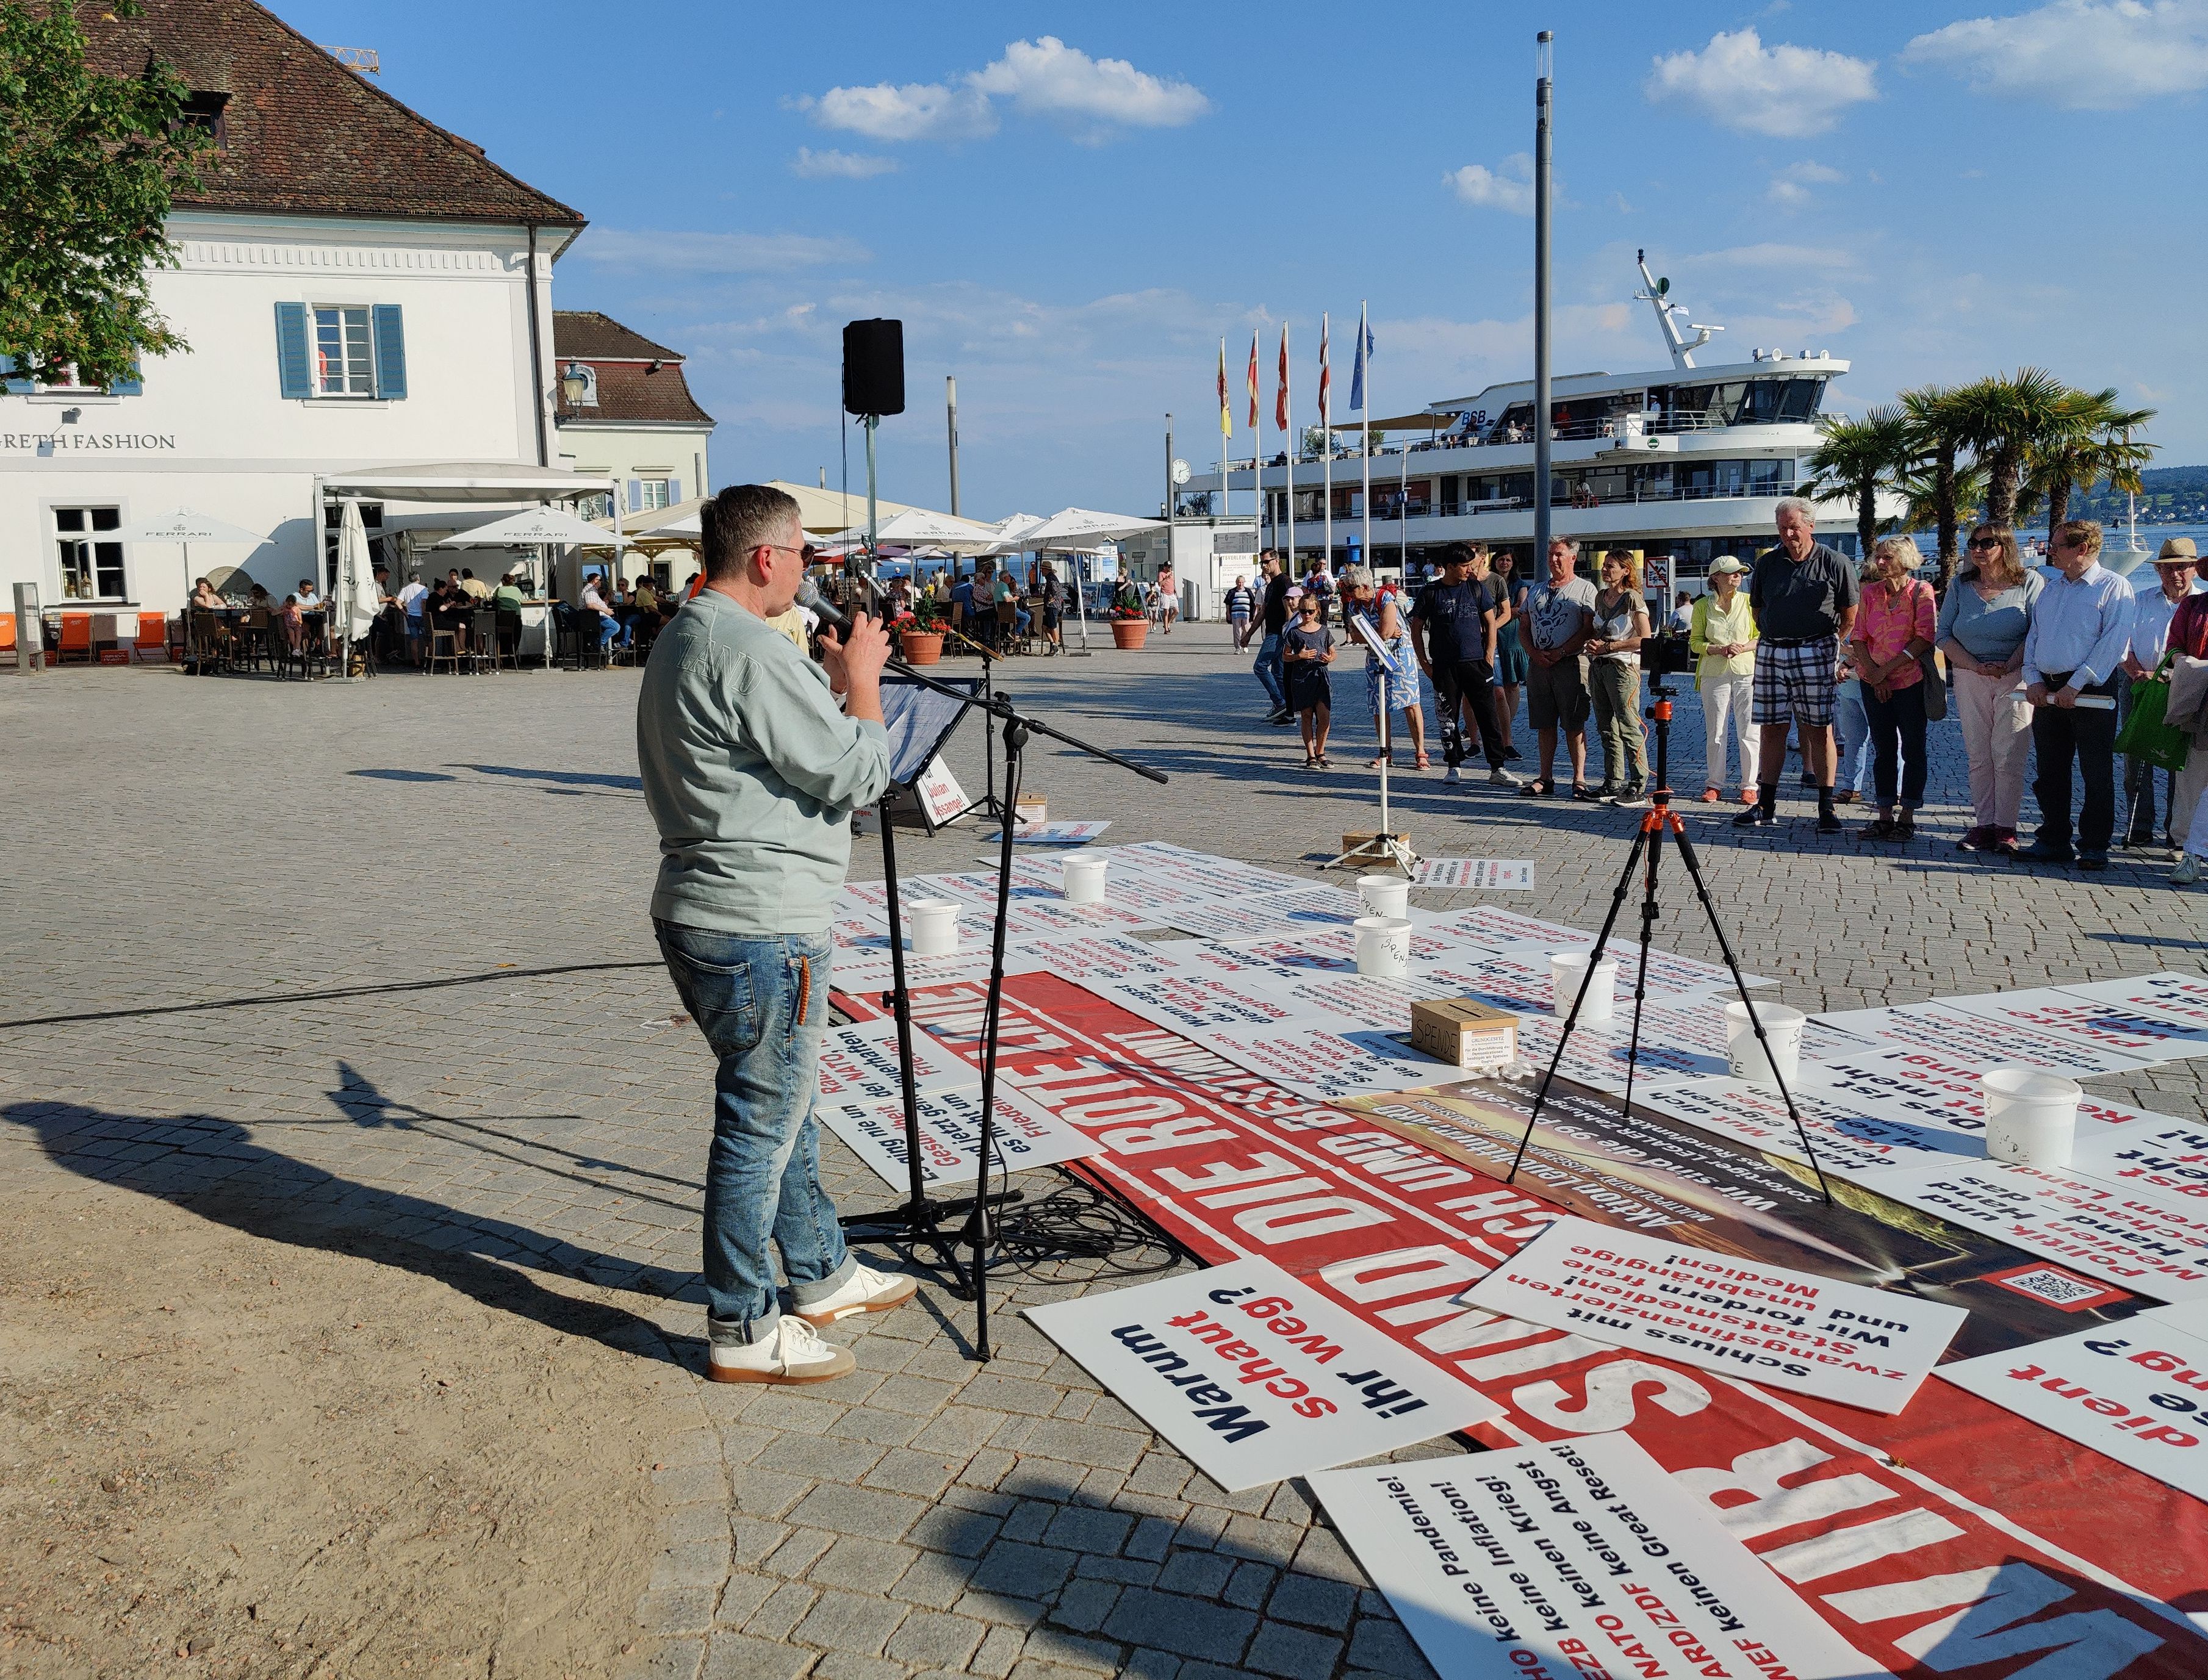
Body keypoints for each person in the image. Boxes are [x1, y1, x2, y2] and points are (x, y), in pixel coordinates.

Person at [636, 483, 916, 1384]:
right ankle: (742, 1326)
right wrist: (865, 684)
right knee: (760, 1122)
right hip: (758, 922)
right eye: (803, 553)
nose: (810, 569)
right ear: (766, 558)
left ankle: (820, 1269)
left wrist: (827, 686)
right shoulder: (752, 648)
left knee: (783, 1107)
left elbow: (772, 751)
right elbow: (855, 773)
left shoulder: (691, 633)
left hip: (709, 906)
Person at [2015, 519, 2135, 870]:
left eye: (2057, 545)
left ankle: (2095, 844)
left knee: (2096, 769)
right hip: (2047, 688)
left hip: (2091, 687)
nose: (2050, 550)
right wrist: (2033, 678)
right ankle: (2054, 838)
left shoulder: (2114, 587)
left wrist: (2077, 683)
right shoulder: (2052, 590)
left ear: (2081, 549)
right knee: (2050, 769)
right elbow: (2035, 636)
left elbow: (2113, 642)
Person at [1737, 498, 1859, 833]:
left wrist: (1829, 646)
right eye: (1782, 528)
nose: (1788, 534)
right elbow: (1758, 609)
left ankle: (1826, 807)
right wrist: (1777, 633)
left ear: (1811, 526)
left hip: (1817, 649)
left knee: (1819, 729)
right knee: (1771, 728)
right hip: (1773, 650)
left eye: (1794, 527)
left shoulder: (1836, 562)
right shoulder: (1767, 564)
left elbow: (1850, 614)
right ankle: (1766, 804)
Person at [1936, 523, 2041, 855]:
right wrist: (1973, 665)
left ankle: (2006, 828)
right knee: (1979, 756)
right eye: (1973, 544)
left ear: (2005, 546)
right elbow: (1943, 635)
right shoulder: (1960, 585)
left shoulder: (2029, 582)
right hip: (1970, 676)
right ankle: (1983, 825)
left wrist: (2010, 664)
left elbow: (2038, 632)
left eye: (1987, 543)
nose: (1978, 549)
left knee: (2008, 755)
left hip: (2015, 677)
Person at [1409, 542, 1519, 789]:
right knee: (1448, 718)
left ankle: (1497, 768)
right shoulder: (1431, 592)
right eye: (1465, 566)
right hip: (1444, 666)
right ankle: (1454, 765)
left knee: (1488, 716)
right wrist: (1424, 663)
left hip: (1477, 664)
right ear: (1450, 567)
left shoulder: (1477, 589)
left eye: (1472, 565)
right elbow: (1416, 629)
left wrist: (1489, 656)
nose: (1471, 570)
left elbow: (1491, 622)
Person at [1849, 536, 1938, 842]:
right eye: (1879, 557)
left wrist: (1884, 672)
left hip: (1910, 682)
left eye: (1888, 558)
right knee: (1883, 749)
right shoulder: (1871, 592)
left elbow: (1924, 637)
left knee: (1913, 749)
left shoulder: (1921, 592)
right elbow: (1858, 636)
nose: (1881, 563)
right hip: (1872, 681)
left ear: (1905, 559)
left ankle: (1908, 817)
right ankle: (1884, 816)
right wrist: (1875, 676)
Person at [2122, 538, 2199, 848]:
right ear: (2159, 572)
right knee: (2136, 754)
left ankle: (2175, 828)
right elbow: (2121, 642)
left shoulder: (2202, 603)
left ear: (2194, 569)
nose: (2175, 574)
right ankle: (2139, 826)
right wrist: (2138, 673)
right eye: (2168, 569)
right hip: (2138, 682)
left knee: (2178, 760)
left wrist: (2170, 675)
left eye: (2182, 567)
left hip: (2185, 687)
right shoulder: (2140, 600)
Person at [1519, 537, 1598, 799]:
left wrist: (1562, 651)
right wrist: (1533, 653)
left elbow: (1588, 628)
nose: (1553, 560)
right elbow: (1524, 627)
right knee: (1544, 723)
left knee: (1574, 722)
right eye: (1551, 554)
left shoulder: (1585, 589)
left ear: (1572, 558)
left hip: (1571, 662)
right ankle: (1545, 777)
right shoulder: (1536, 590)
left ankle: (1579, 778)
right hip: (1539, 665)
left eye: (1559, 555)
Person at [1690, 555, 1759, 802]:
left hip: (1746, 671)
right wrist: (1718, 649)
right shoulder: (1702, 606)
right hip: (1714, 673)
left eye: (1740, 572)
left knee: (1749, 731)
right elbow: (1695, 642)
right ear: (1716, 578)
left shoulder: (1750, 602)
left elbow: (1760, 636)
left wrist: (1743, 647)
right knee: (1716, 731)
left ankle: (1749, 785)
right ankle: (1714, 784)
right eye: (1731, 572)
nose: (1737, 576)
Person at [1586, 550, 1652, 805]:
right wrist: (1596, 645)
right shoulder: (1600, 597)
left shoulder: (1632, 598)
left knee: (1628, 726)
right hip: (1599, 667)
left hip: (1623, 668)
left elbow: (1645, 639)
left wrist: (1611, 647)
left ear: (1626, 570)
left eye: (1611, 566)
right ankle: (1612, 782)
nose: (1605, 570)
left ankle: (1638, 784)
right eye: (1604, 565)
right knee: (1606, 728)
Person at [2166, 570, 2208, 883]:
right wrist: (2185, 663)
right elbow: (2173, 647)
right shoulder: (2193, 607)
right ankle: (2186, 850)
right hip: (2199, 703)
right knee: (2193, 778)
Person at [1360, 582, 1428, 769]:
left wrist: (1378, 634)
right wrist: (1382, 634)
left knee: (1411, 703)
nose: (1347, 592)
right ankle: (1385, 752)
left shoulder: (1386, 598)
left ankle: (1421, 752)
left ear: (1364, 586)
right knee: (1379, 707)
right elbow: (1356, 634)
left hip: (1401, 655)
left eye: (1351, 588)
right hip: (1375, 656)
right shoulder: (1354, 605)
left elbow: (1386, 631)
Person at [1283, 586, 1337, 767]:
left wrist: (1330, 658)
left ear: (1317, 612)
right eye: (1303, 610)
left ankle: (1321, 751)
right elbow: (1285, 655)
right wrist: (1300, 656)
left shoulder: (1324, 631)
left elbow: (1333, 652)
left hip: (1320, 676)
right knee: (1306, 716)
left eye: (1310, 611)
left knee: (1324, 716)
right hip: (1302, 677)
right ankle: (1311, 754)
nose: (1307, 614)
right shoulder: (1294, 632)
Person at [1492, 550, 1528, 760]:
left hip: (1513, 637)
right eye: (1501, 559)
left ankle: (1506, 725)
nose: (1504, 563)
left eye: (1508, 560)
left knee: (1512, 684)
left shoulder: (1520, 584)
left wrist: (1500, 611)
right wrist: (1507, 610)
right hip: (1494, 636)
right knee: (1496, 686)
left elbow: (1520, 609)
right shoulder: (1490, 581)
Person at [1254, 551, 1292, 723]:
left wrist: (1289, 633)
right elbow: (1263, 612)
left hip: (1278, 633)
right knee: (1279, 674)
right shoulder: (1270, 585)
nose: (1263, 565)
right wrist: (1248, 635)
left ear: (1276, 561)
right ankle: (1288, 714)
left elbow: (1291, 607)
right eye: (1261, 563)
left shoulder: (1284, 582)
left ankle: (1279, 703)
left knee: (1260, 667)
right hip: (1273, 632)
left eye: (1266, 562)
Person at [580, 573, 621, 652]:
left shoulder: (593, 590)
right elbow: (590, 605)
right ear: (594, 581)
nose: (601, 582)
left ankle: (611, 644)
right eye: (600, 580)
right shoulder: (590, 591)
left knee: (619, 621)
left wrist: (604, 602)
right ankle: (598, 643)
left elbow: (594, 603)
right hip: (595, 618)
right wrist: (605, 610)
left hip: (596, 616)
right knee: (615, 627)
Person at [396, 569, 428, 667]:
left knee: (414, 640)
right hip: (422, 616)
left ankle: (417, 662)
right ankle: (429, 659)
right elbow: (424, 602)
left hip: (411, 616)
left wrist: (405, 613)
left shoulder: (405, 590)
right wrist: (423, 613)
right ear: (418, 578)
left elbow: (398, 602)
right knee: (428, 638)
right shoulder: (423, 589)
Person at [1225, 573, 1256, 651]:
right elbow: (1228, 604)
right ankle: (1237, 648)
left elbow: (1254, 603)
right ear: (1236, 582)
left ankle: (1244, 643)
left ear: (1244, 582)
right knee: (1237, 631)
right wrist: (1228, 613)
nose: (1241, 584)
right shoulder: (1232, 591)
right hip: (1235, 615)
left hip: (1246, 615)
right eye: (1239, 582)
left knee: (1247, 629)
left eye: (1242, 582)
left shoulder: (1248, 591)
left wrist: (1254, 613)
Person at [1157, 559, 1177, 635]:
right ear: (1165, 567)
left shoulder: (1172, 574)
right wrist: (1167, 578)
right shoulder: (1161, 574)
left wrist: (1176, 592)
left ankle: (1168, 624)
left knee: (1176, 610)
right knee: (1166, 612)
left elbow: (1173, 583)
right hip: (1165, 594)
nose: (1170, 569)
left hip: (1172, 594)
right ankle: (1166, 629)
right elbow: (1160, 584)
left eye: (1170, 567)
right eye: (1168, 567)